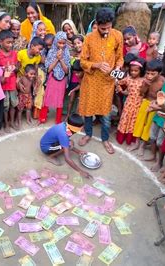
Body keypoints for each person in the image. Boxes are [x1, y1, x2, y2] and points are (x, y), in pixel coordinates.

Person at [77, 7, 124, 155]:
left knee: (106, 113)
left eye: (109, 27)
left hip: (107, 82)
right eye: (103, 28)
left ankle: (105, 139)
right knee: (89, 110)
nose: (106, 31)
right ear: (97, 23)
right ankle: (88, 134)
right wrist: (96, 65)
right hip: (91, 81)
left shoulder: (118, 35)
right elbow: (83, 61)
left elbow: (120, 57)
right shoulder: (89, 38)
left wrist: (117, 68)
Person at [130, 59, 165, 155]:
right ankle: (137, 143)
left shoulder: (163, 82)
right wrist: (145, 84)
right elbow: (142, 92)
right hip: (145, 102)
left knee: (148, 126)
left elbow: (162, 97)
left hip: (155, 106)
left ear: (159, 73)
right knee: (139, 122)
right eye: (148, 73)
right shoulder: (146, 79)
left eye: (152, 74)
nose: (149, 76)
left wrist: (155, 104)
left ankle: (143, 145)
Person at [40, 114, 91, 178]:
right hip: (46, 147)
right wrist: (80, 171)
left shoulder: (66, 125)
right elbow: (67, 158)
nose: (82, 129)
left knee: (70, 143)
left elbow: (66, 141)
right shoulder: (63, 134)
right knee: (68, 145)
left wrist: (79, 151)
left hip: (51, 142)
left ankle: (57, 150)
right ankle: (51, 157)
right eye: (79, 128)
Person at [40, 32, 71, 124]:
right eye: (59, 43)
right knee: (47, 96)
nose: (61, 45)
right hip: (52, 77)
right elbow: (49, 69)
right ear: (55, 42)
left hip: (62, 79)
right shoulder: (51, 52)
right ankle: (43, 117)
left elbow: (66, 71)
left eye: (63, 43)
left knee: (60, 99)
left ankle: (58, 119)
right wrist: (56, 59)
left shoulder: (67, 53)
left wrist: (61, 59)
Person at [116, 58, 146, 145]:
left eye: (136, 71)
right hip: (129, 103)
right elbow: (118, 83)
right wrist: (122, 91)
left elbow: (145, 93)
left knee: (133, 121)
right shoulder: (128, 79)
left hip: (138, 105)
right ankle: (121, 137)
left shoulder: (143, 81)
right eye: (132, 70)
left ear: (141, 70)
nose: (133, 72)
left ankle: (130, 139)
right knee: (125, 119)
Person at [0, 30, 18, 132]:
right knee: (5, 105)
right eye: (8, 42)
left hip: (12, 84)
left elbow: (17, 67)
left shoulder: (14, 53)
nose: (10, 44)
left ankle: (12, 121)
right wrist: (4, 70)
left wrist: (14, 68)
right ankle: (6, 123)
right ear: (0, 42)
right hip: (3, 85)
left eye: (12, 42)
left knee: (13, 104)